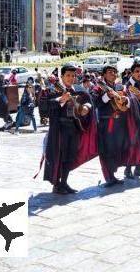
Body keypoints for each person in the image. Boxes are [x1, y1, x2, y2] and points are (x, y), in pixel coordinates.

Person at [42, 63, 97, 194]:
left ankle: (64, 183)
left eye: (73, 75)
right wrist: (61, 99)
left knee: (70, 156)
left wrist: (86, 108)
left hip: (75, 127)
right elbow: (44, 106)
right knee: (59, 157)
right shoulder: (54, 90)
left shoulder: (79, 90)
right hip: (60, 129)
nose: (71, 78)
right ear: (62, 76)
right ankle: (56, 185)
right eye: (68, 75)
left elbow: (89, 101)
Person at [92, 65, 130, 186]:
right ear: (104, 75)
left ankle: (113, 174)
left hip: (119, 124)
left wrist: (125, 100)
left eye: (114, 72)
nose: (113, 74)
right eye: (109, 72)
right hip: (106, 124)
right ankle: (109, 177)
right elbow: (94, 103)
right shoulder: (98, 88)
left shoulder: (120, 86)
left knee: (118, 149)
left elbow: (128, 102)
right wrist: (107, 96)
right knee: (107, 151)